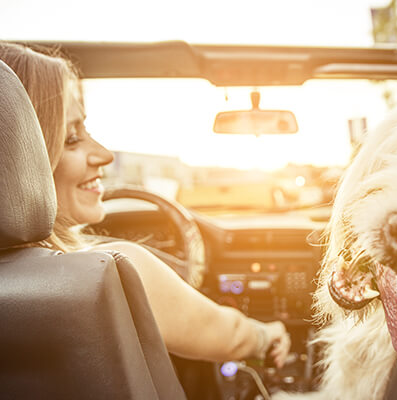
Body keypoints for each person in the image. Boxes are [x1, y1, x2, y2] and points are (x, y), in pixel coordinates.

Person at [0, 42, 291, 367]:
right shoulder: (113, 271)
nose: (105, 155)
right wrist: (268, 334)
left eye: (87, 130)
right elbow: (229, 335)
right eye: (71, 137)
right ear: (17, 157)